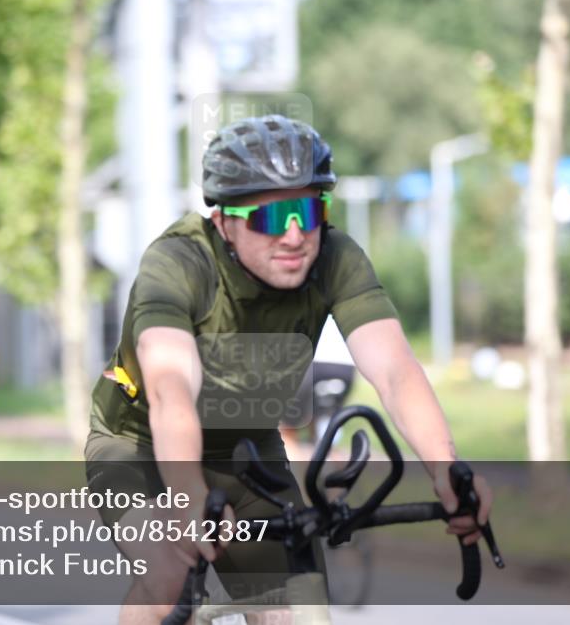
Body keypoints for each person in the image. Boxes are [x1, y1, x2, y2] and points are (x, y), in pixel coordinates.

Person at [84, 115, 493, 624]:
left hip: (247, 452)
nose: (296, 235)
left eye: (309, 209)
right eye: (274, 217)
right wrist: (188, 497)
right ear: (223, 221)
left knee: (296, 608)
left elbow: (394, 371)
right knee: (169, 575)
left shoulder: (335, 259)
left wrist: (446, 468)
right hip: (139, 445)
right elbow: (170, 388)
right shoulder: (179, 262)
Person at [281, 318, 356, 462]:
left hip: (311, 363)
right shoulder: (343, 300)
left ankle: (293, 482)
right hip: (346, 367)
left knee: (287, 433)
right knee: (326, 438)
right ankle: (338, 481)